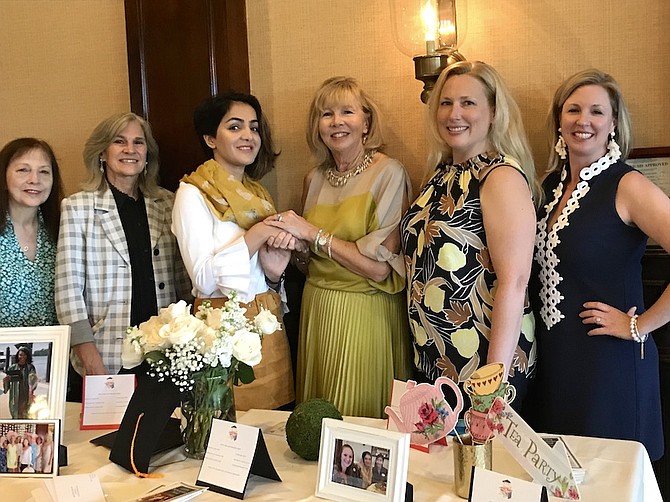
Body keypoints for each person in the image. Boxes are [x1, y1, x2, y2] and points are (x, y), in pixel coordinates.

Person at [527, 69, 669, 461]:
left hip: (611, 366)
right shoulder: (548, 188)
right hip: (557, 362)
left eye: (596, 111)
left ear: (613, 124)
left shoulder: (627, 185)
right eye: (573, 110)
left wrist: (638, 325)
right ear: (559, 120)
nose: (582, 120)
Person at [265, 76, 413, 418]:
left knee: (357, 425)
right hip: (317, 309)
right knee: (316, 427)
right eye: (326, 114)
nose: (336, 122)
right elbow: (310, 262)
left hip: (366, 312)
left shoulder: (389, 173)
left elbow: (380, 268)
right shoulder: (313, 178)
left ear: (366, 122)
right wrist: (292, 250)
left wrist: (311, 233)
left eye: (347, 111)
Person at [401, 61, 539, 405]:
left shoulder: (500, 176)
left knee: (481, 460)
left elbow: (515, 281)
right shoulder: (441, 175)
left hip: (483, 363)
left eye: (468, 103)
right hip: (436, 359)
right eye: (446, 103)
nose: (453, 114)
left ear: (493, 112)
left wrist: (492, 383)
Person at [172, 92, 295, 411]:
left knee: (276, 427)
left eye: (254, 128)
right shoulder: (193, 194)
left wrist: (273, 275)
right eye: (235, 127)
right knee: (229, 434)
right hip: (221, 328)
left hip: (268, 322)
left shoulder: (258, 193)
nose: (248, 136)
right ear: (210, 137)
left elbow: (260, 275)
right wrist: (255, 236)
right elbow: (202, 278)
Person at [55, 112, 192, 377]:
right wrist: (92, 363)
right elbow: (68, 293)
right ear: (102, 152)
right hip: (106, 355)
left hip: (165, 351)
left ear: (147, 154)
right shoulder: (77, 207)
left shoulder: (167, 203)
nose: (130, 150)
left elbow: (182, 279)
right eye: (119, 142)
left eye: (138, 143)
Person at [0, 138, 64, 327]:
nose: (34, 180)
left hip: (57, 352)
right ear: (3, 178)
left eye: (44, 171)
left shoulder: (63, 231)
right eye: (23, 170)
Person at [2, 347, 38, 418]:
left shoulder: (30, 367)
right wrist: (5, 381)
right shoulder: (11, 368)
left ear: (27, 356)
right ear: (17, 356)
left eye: (24, 355)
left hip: (26, 394)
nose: (22, 357)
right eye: (20, 355)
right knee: (15, 414)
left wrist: (31, 388)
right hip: (15, 395)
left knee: (26, 413)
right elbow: (7, 388)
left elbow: (33, 381)